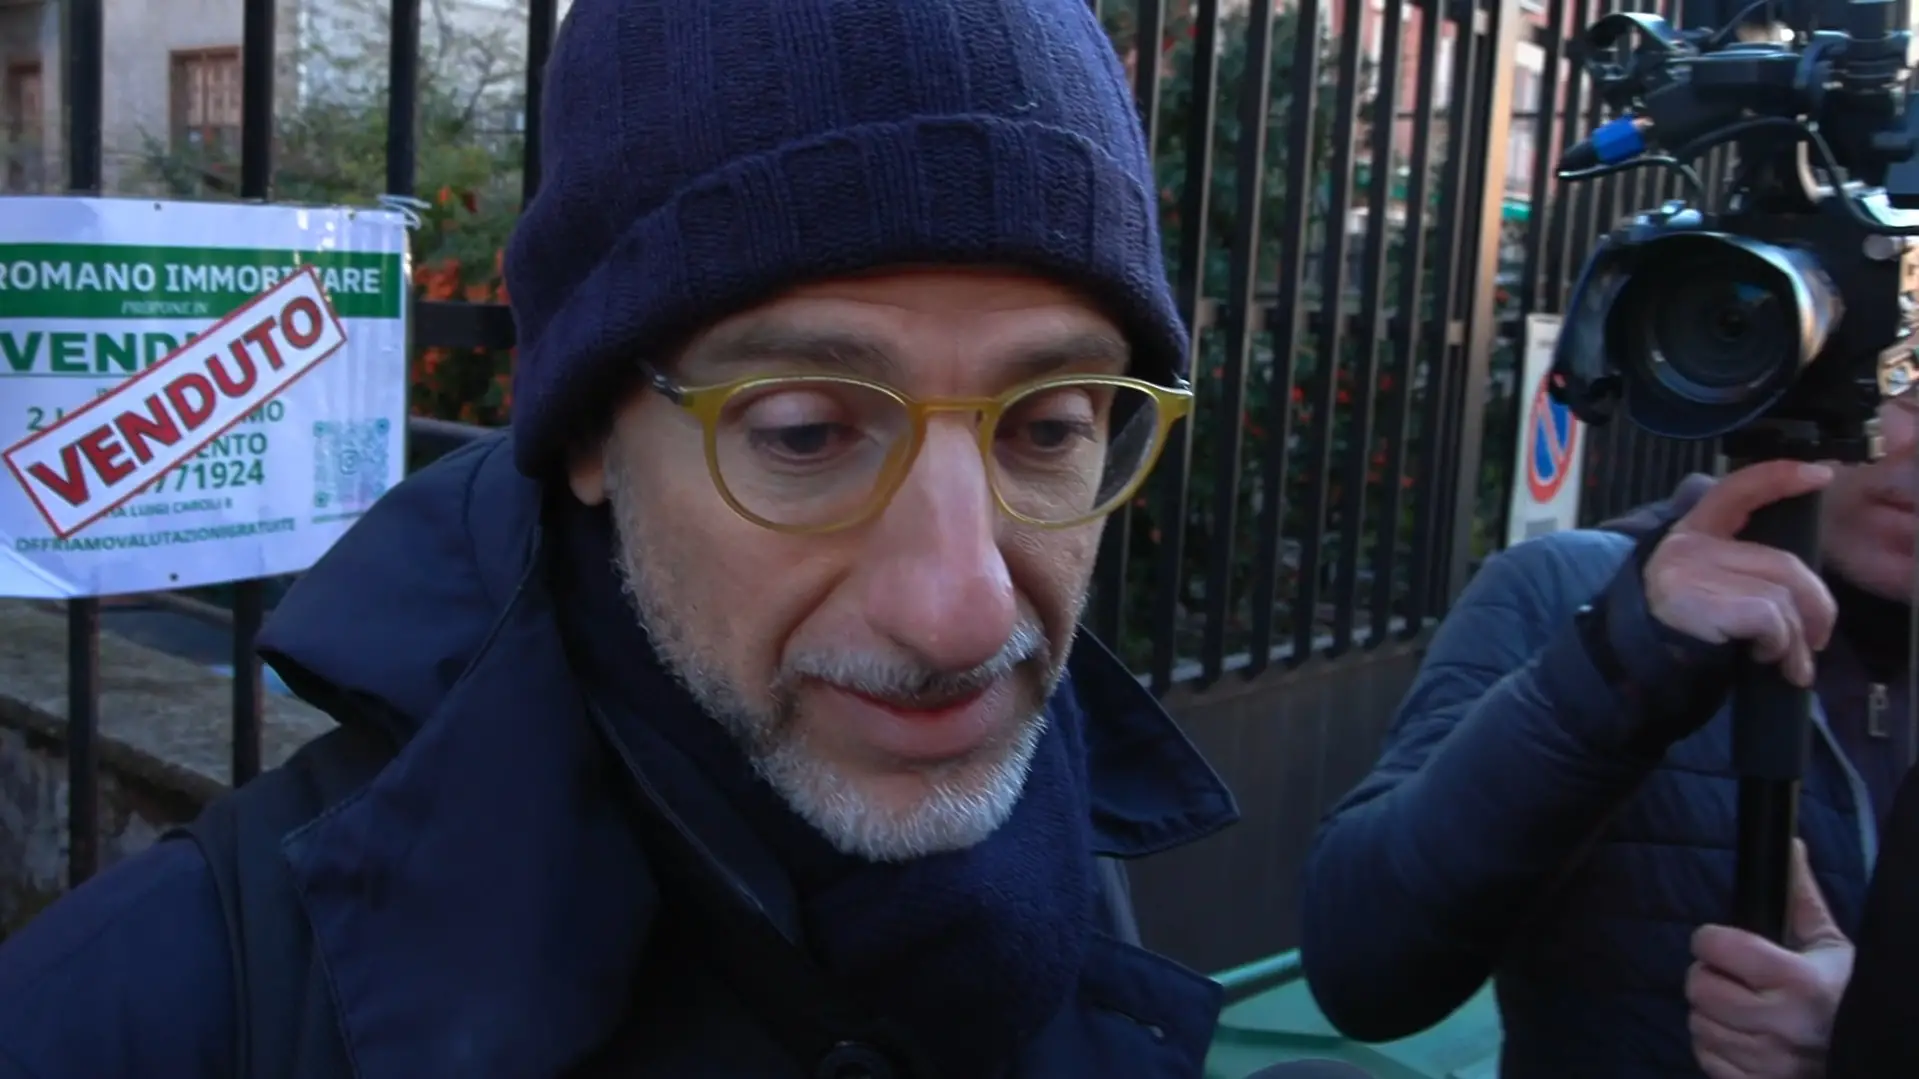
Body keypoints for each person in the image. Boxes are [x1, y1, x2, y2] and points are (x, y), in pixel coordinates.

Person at [0, 2, 1260, 1076]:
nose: (962, 611)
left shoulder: (1064, 848)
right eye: (806, 432)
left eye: (1046, 426)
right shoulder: (157, 1012)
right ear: (591, 434)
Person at [1298, 394, 1919, 1078]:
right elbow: (1360, 968)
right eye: (1915, 389)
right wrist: (1613, 671)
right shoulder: (1568, 593)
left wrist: (1871, 1034)